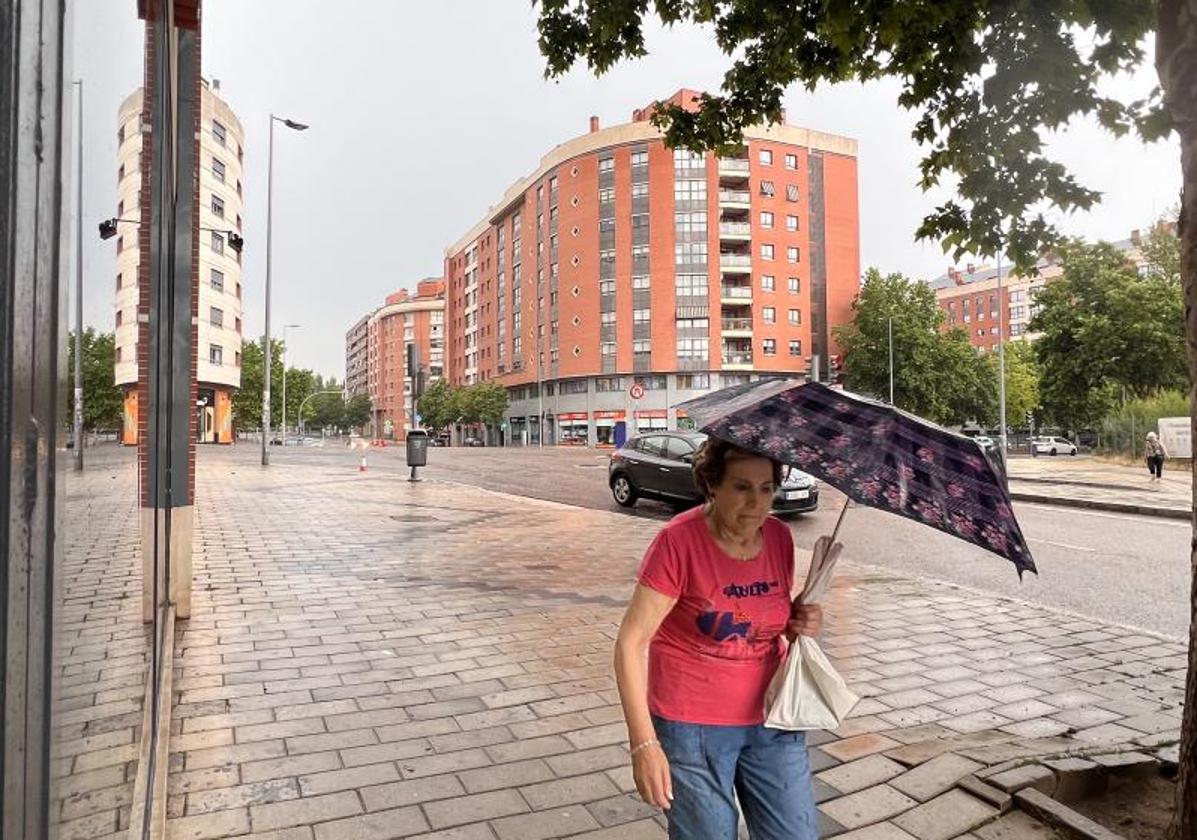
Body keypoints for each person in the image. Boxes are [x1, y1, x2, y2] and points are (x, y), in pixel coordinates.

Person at [613, 436, 824, 840]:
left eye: (766, 488)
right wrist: (643, 745)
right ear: (712, 485)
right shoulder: (678, 543)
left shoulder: (779, 538)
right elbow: (629, 644)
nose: (757, 503)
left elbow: (766, 621)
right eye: (741, 487)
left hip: (774, 715)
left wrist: (800, 621)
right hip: (693, 726)